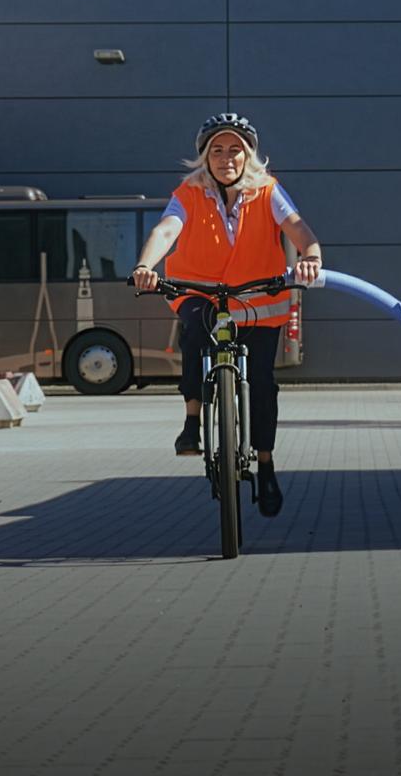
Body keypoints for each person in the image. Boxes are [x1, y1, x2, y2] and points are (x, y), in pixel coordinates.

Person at [131, 113, 323, 518]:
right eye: (216, 150)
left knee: (263, 383)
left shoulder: (268, 191)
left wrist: (311, 256)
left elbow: (298, 227)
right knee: (194, 335)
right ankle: (192, 421)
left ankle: (266, 464)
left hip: (257, 298)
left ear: (249, 155)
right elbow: (167, 229)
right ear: (204, 157)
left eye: (235, 149)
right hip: (201, 291)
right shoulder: (188, 193)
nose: (226, 157)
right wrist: (146, 266)